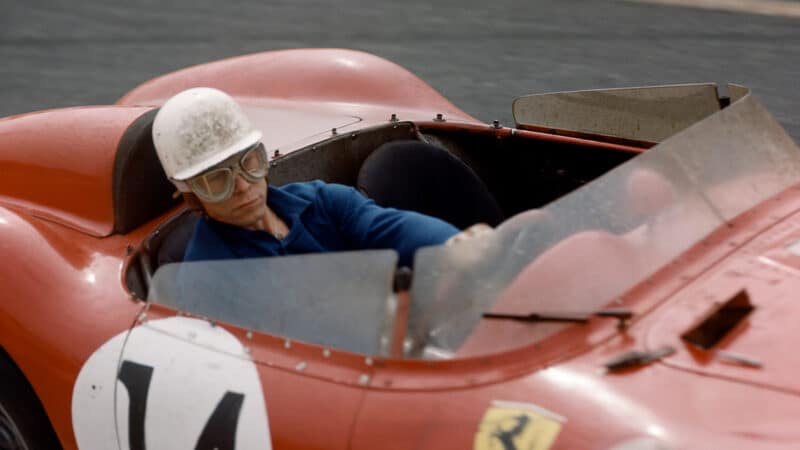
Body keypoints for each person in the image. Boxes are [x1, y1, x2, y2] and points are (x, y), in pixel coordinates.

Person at [152, 87, 465, 267]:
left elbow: (391, 228)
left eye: (249, 162)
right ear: (190, 193)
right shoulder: (208, 273)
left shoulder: (322, 201)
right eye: (217, 180)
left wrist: (458, 246)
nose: (244, 185)